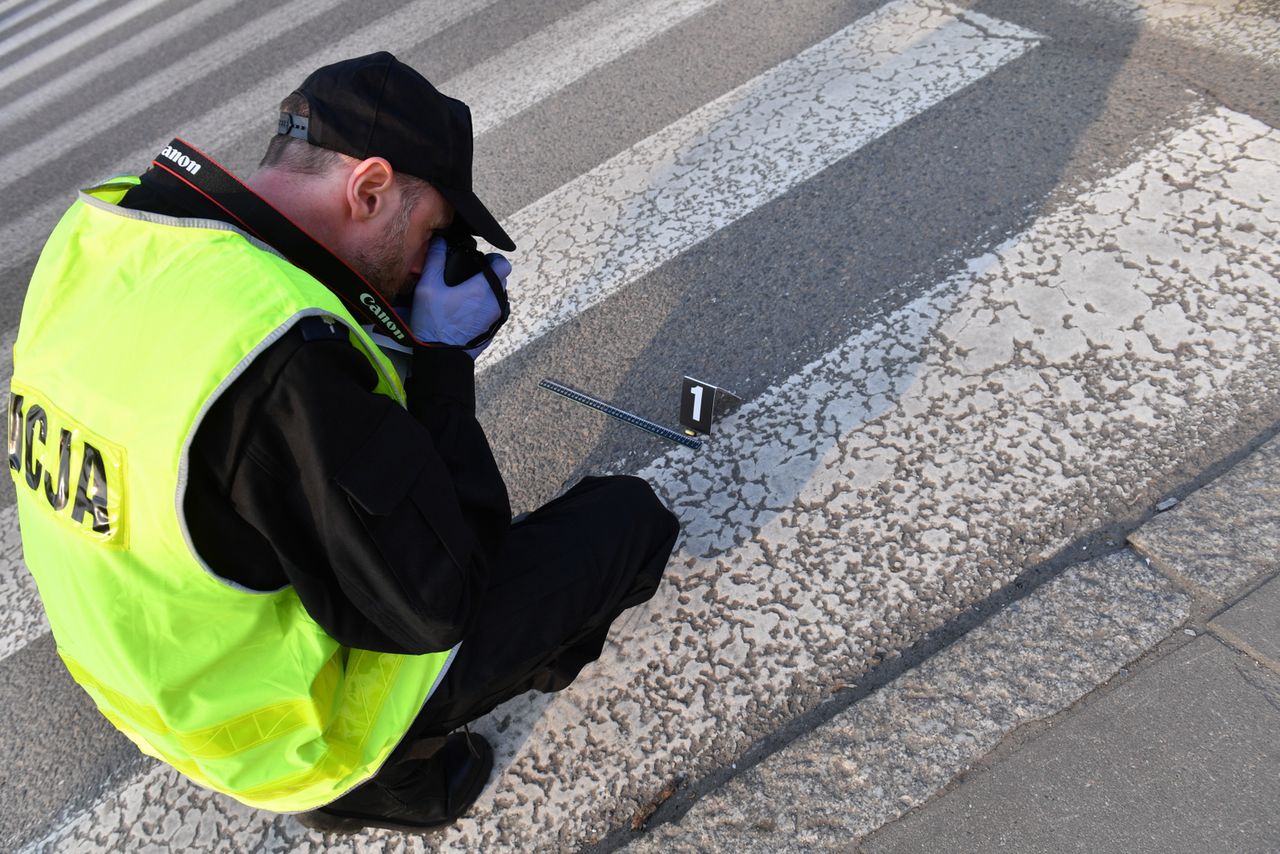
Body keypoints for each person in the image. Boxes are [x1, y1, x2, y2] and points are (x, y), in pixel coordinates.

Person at [8, 51, 680, 834]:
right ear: (368, 188)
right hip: (276, 734)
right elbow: (439, 599)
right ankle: (374, 778)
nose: (425, 266)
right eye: (431, 232)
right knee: (629, 523)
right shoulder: (283, 359)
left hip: (142, 681)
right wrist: (437, 367)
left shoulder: (106, 234)